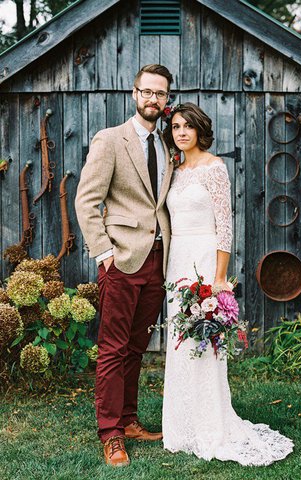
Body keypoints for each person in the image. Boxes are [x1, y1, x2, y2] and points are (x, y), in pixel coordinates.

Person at [162, 102, 294, 465]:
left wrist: (219, 278)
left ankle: (211, 423)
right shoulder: (174, 169)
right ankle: (182, 425)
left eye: (188, 126)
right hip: (177, 263)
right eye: (175, 127)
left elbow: (224, 225)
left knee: (204, 340)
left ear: (200, 130)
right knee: (180, 341)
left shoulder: (214, 167)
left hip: (204, 259)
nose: (182, 133)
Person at [75, 64, 174, 467]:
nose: (154, 99)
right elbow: (86, 200)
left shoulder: (168, 144)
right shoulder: (110, 140)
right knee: (113, 349)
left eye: (161, 94)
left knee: (136, 347)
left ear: (167, 100)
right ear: (134, 94)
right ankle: (111, 433)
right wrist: (104, 254)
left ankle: (130, 420)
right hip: (122, 259)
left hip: (157, 261)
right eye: (147, 92)